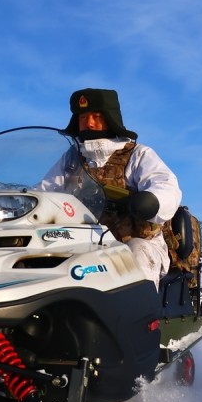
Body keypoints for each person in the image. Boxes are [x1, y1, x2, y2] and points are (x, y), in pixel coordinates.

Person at [39, 88, 182, 288]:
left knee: (137, 252)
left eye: (96, 117)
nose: (89, 123)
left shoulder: (137, 154)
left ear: (110, 118)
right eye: (83, 117)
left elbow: (165, 184)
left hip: (134, 243)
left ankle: (139, 306)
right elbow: (45, 191)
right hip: (82, 244)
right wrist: (20, 203)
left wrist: (152, 201)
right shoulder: (71, 160)